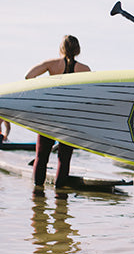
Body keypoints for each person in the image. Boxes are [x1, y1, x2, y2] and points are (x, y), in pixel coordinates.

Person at [25, 35, 91, 189]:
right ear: (77, 50)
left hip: (48, 116)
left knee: (41, 157)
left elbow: (29, 76)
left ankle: (38, 195)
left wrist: (44, 91)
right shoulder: (84, 69)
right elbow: (89, 94)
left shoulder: (51, 65)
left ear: (61, 48)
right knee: (64, 159)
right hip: (69, 118)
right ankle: (60, 198)